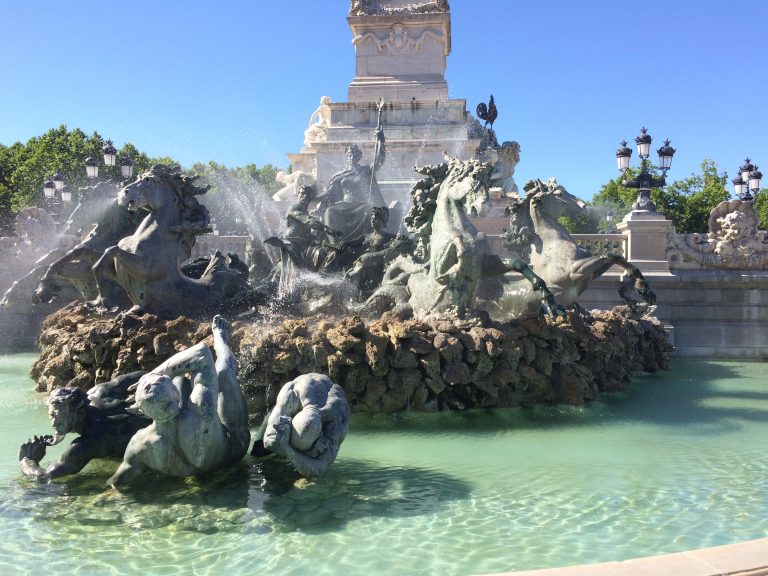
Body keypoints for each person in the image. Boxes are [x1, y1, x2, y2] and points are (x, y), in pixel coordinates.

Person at [107, 315, 250, 487]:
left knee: (180, 380)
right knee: (224, 371)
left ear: (141, 411)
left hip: (186, 462)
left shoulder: (138, 445)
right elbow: (201, 353)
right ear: (174, 394)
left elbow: (117, 483)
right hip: (231, 452)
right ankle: (222, 340)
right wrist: (156, 373)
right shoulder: (200, 408)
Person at [19, 372, 149, 481]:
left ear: (80, 412)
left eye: (61, 418)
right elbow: (142, 375)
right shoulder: (98, 391)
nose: (54, 423)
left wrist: (27, 461)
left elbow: (45, 477)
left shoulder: (90, 441)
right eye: (52, 415)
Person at [253, 373, 349, 478]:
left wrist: (288, 450)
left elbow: (320, 468)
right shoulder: (291, 394)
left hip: (328, 399)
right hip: (297, 393)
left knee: (312, 460)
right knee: (258, 450)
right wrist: (278, 439)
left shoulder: (338, 420)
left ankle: (305, 454)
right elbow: (268, 441)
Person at [316, 135, 387, 244]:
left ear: (359, 157)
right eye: (349, 155)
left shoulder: (365, 170)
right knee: (330, 211)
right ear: (347, 157)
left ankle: (368, 242)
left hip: (362, 204)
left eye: (354, 155)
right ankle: (334, 244)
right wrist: (315, 198)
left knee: (371, 211)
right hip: (345, 204)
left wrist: (381, 141)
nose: (352, 157)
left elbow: (379, 160)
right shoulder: (340, 175)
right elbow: (329, 192)